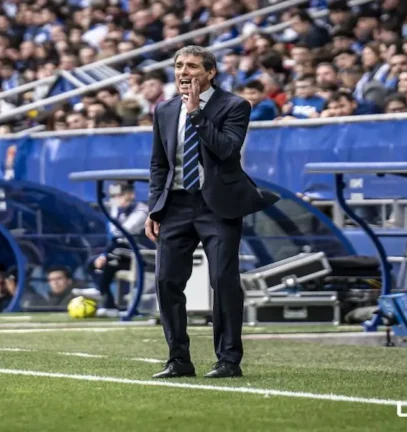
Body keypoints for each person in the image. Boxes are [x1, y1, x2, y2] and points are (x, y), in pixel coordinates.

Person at [145, 46, 278, 379]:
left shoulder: (234, 105)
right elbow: (160, 163)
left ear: (210, 72)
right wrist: (154, 208)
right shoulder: (163, 109)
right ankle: (178, 359)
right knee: (166, 280)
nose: (183, 72)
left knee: (223, 279)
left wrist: (196, 115)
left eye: (191, 66)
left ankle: (228, 360)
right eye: (178, 66)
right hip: (174, 204)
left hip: (217, 205)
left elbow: (227, 149)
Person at [86, 181, 148, 317]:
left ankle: (99, 290)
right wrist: (103, 255)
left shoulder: (141, 210)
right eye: (113, 196)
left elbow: (122, 231)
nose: (115, 200)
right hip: (119, 253)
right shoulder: (116, 210)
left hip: (142, 252)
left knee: (113, 254)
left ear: (131, 195)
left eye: (120, 195)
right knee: (93, 263)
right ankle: (109, 305)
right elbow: (114, 237)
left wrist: (105, 254)